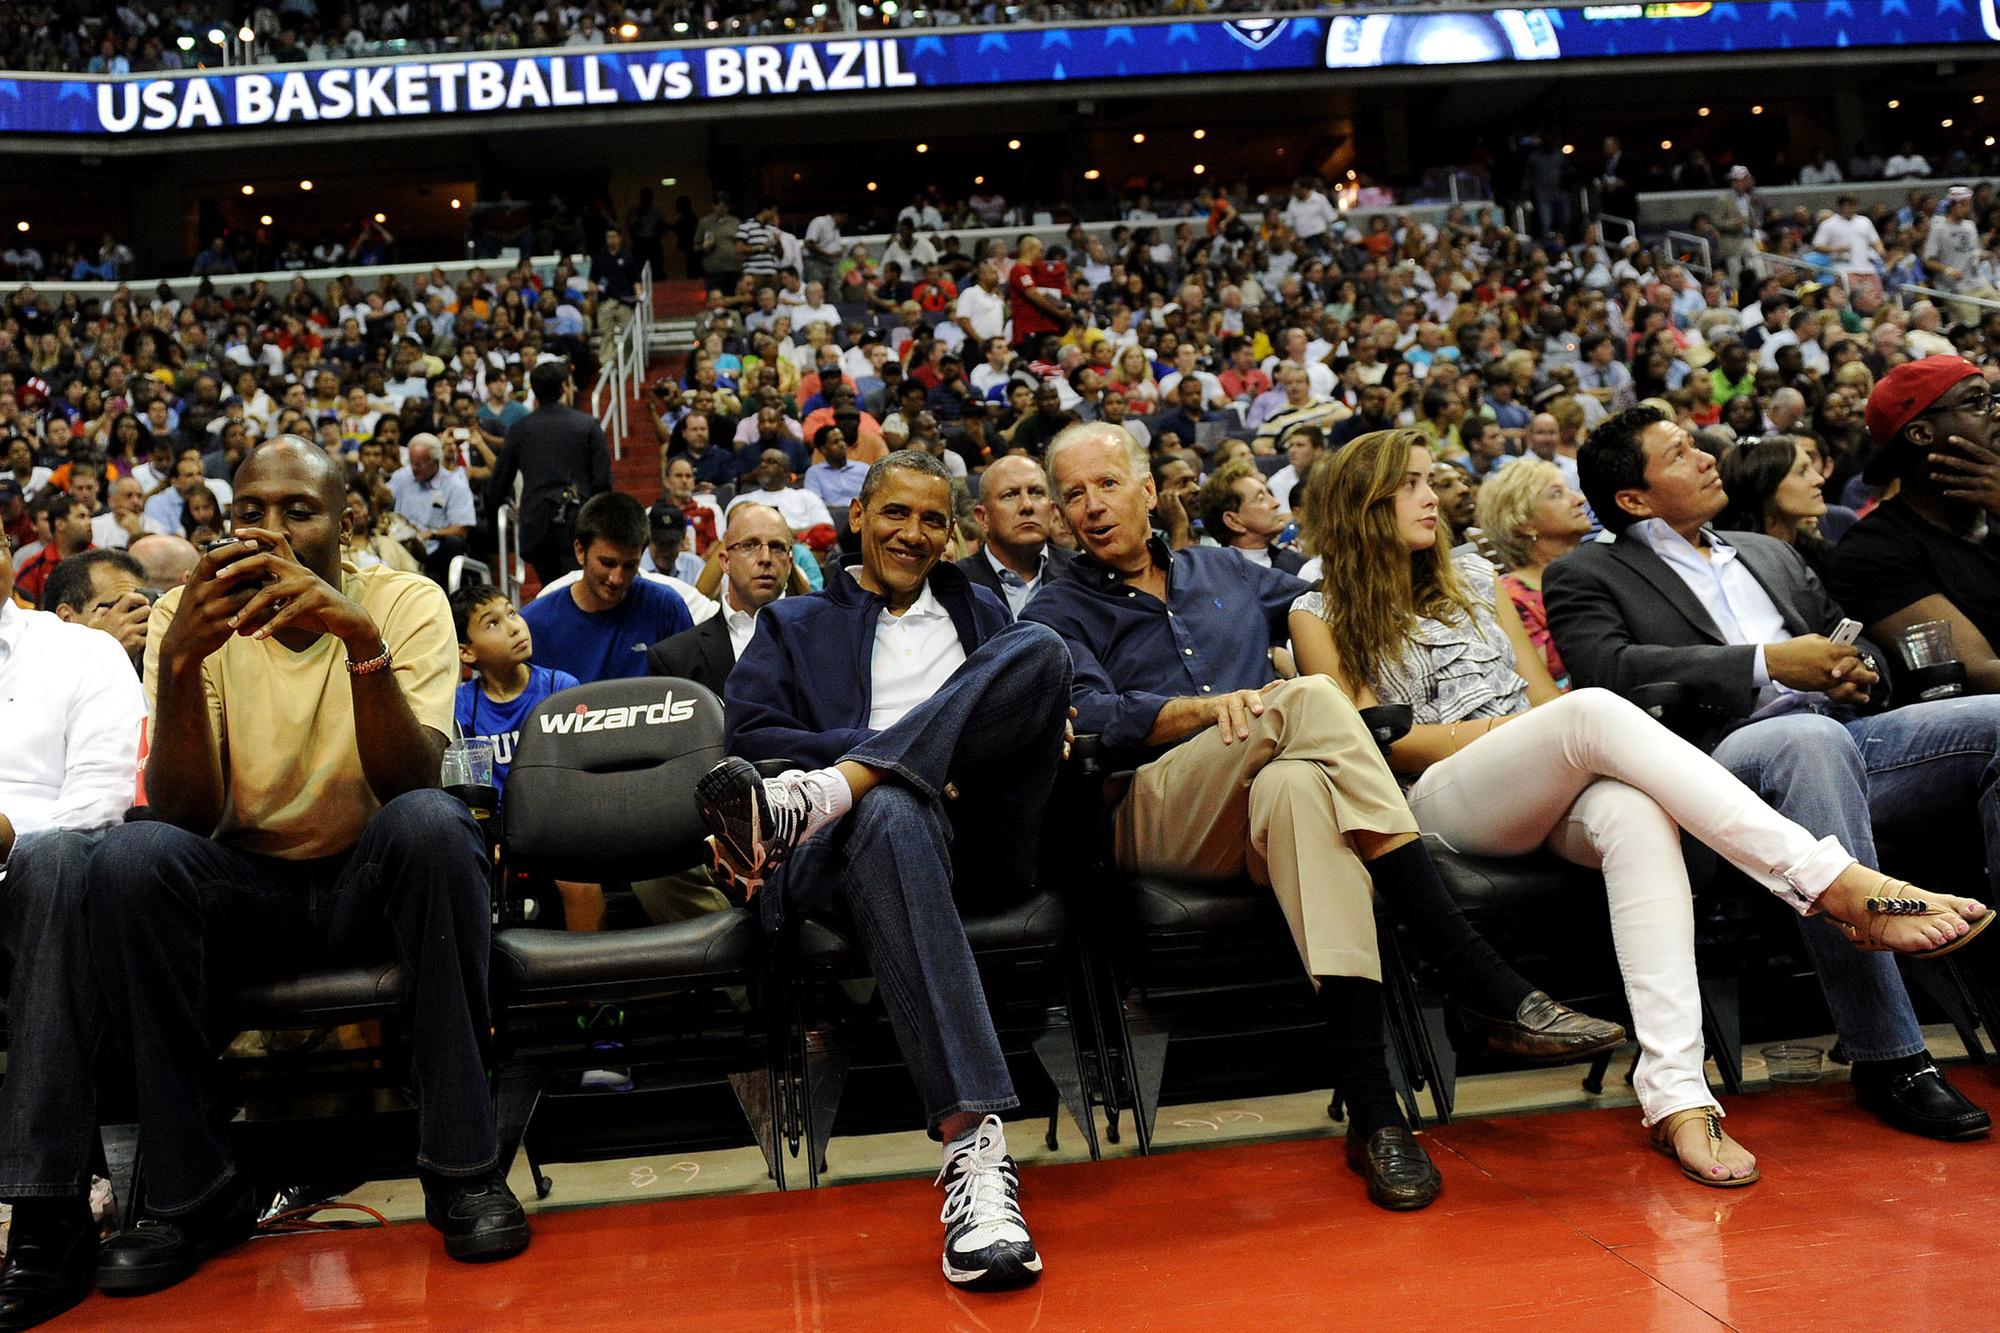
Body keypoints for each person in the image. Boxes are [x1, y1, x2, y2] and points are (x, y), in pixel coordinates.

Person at [1292, 427, 1987, 1191]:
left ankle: (1678, 1098)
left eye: (1431, 479)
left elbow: (1545, 702)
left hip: (1537, 771)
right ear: (1361, 503)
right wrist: (1514, 731)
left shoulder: (1473, 579)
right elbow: (1375, 745)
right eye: (1410, 484)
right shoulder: (1317, 609)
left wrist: (1535, 730)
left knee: (1635, 813)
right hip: (1439, 797)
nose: (1433, 497)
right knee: (1591, 712)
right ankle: (1831, 881)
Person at [1024, 423, 1624, 1214]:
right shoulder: (1055, 605)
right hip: (1148, 805)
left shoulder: (1230, 573)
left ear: (1149, 488)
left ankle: (1374, 1113)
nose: (1091, 506)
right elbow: (1093, 716)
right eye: (1073, 495)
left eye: (1106, 484)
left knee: (1307, 788)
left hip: (1268, 784)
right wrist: (1206, 711)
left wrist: (1419, 547)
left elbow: (1348, 589)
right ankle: (1466, 962)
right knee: (1309, 698)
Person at [81, 438, 529, 1306]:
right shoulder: (188, 613)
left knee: (436, 824)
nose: (269, 527)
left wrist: (357, 638)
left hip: (374, 875)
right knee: (132, 857)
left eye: (299, 509)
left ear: (345, 521)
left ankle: (463, 1170)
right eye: (251, 509)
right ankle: (193, 1193)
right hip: (253, 887)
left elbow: (411, 780)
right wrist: (178, 669)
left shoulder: (400, 600)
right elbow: (181, 815)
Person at [1548, 406, 2000, 1138]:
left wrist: (1860, 675)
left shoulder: (1767, 552)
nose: (1704, 456)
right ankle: (1891, 1055)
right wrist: (1765, 663)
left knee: (1994, 722)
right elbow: (1609, 673)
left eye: (1698, 443)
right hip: (1720, 768)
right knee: (1802, 742)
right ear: (1632, 498)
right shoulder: (1587, 572)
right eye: (1678, 452)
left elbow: (1853, 641)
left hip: (1848, 740)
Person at [697, 450, 1074, 1292]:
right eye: (896, 513)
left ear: (953, 532)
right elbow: (750, 745)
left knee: (1043, 651)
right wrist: (899, 764)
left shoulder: (982, 612)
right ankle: (975, 1157)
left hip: (978, 835)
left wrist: (862, 769)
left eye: (934, 519)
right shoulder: (793, 623)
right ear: (859, 515)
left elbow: (1035, 704)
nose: (913, 533)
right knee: (892, 808)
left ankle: (829, 792)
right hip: (856, 851)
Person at [0, 533, 148, 1333]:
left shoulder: (79, 654)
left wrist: (4, 839)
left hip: (35, 880)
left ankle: (45, 1211)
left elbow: (99, 803)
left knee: (55, 862)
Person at [1826, 358, 2000, 693]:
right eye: (1977, 401)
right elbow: (1977, 672)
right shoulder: (1873, 551)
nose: (1996, 412)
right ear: (1921, 433)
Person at [450, 584, 600, 933]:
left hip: (557, 821)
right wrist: (491, 840)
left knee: (577, 875)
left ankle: (592, 978)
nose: (515, 626)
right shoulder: (461, 706)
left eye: (512, 613)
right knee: (479, 866)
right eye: (492, 623)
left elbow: (581, 772)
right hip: (496, 831)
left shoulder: (560, 687)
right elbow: (465, 791)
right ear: (466, 653)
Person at [521, 490, 693, 684]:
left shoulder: (666, 607)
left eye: (629, 566)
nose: (617, 578)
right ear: (580, 551)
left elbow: (693, 693)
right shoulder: (534, 624)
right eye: (607, 563)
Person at [486, 359, 613, 582]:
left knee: (551, 590)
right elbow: (603, 483)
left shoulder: (519, 429)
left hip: (536, 526)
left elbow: (496, 488)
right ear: (565, 386)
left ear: (534, 390)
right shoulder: (588, 424)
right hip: (579, 523)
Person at [1473, 458, 1591, 687]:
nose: (1579, 499)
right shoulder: (1513, 599)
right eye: (1556, 494)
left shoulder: (1594, 569)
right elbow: (1541, 693)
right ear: (1525, 523)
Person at [648, 502, 792, 690]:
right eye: (749, 545)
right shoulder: (674, 658)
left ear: (789, 564)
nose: (765, 558)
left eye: (777, 547)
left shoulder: (822, 639)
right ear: (725, 562)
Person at [956, 454, 1072, 620]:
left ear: (1052, 511)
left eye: (1036, 492)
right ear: (983, 518)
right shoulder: (957, 583)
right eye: (1010, 494)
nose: (1027, 505)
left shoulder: (1081, 574)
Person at [1716, 434, 1833, 580]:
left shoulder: (1825, 557)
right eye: (1802, 472)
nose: (1819, 480)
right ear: (1766, 488)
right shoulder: (1733, 567)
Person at [39, 547, 149, 670]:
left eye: (140, 607)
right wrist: (106, 650)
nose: (139, 618)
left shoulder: (152, 664)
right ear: (66, 618)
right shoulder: (33, 670)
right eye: (121, 607)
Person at [388, 433, 476, 584]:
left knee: (454, 543)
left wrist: (431, 533)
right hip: (399, 541)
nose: (414, 468)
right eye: (412, 462)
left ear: (435, 461)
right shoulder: (403, 477)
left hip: (434, 548)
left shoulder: (455, 485)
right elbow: (385, 497)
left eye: (419, 464)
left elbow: (461, 529)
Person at [1197, 459, 1304, 574]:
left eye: (1269, 494)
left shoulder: (1300, 567)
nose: (1276, 503)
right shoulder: (1208, 576)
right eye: (1261, 498)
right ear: (1233, 521)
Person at [727, 448, 836, 534]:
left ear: (785, 472)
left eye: (771, 462)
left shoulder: (805, 497)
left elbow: (826, 528)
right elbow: (726, 535)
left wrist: (789, 533)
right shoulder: (741, 501)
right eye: (761, 462)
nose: (763, 465)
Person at [13, 491, 91, 607]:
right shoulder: (33, 567)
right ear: (60, 524)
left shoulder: (103, 561)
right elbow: (23, 612)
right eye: (81, 517)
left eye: (89, 516)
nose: (89, 522)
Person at [1267, 427, 1325, 512]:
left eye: (1300, 445)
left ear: (1318, 451)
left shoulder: (1333, 475)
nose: (1292, 450)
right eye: (1290, 445)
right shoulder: (1277, 482)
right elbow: (1286, 519)